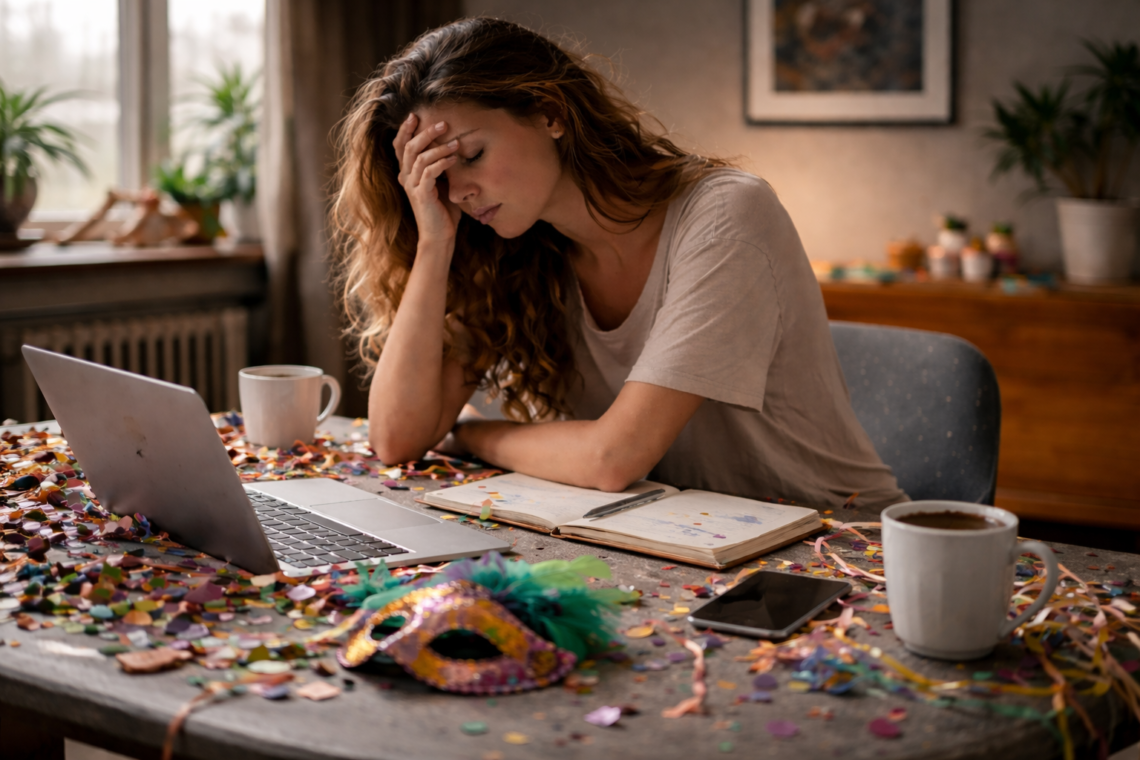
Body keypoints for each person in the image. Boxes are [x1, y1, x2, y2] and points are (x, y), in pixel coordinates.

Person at [331, 17, 908, 511]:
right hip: (670, 541)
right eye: (437, 178)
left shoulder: (726, 216)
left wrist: (474, 434)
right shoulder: (514, 248)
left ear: (550, 112)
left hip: (834, 552)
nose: (459, 192)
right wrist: (435, 242)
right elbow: (395, 439)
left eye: (472, 156)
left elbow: (613, 459)